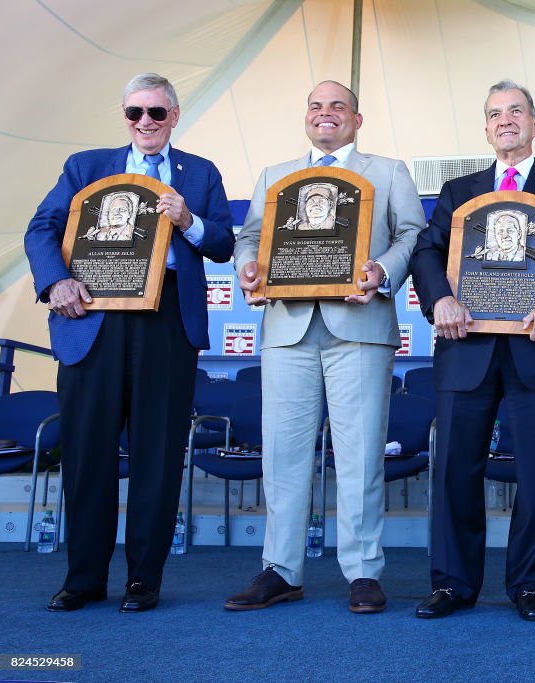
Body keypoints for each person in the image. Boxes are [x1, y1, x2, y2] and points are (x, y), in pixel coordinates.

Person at [23, 72, 234, 613]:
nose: (145, 123)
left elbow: (223, 244)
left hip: (165, 321)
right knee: (87, 452)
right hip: (92, 319)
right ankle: (84, 577)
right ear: (124, 116)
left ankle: (144, 578)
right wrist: (55, 281)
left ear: (174, 117)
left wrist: (188, 220)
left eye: (156, 114)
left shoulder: (200, 173)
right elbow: (40, 228)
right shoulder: (85, 167)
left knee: (158, 457)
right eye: (135, 113)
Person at [225, 80, 424, 613]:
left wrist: (383, 270)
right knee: (282, 456)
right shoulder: (275, 176)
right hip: (287, 329)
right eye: (315, 105)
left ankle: (363, 572)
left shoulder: (388, 171)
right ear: (305, 117)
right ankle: (281, 569)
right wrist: (247, 264)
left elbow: (413, 233)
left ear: (357, 119)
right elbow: (248, 236)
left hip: (360, 326)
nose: (325, 113)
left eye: (338, 105)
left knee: (360, 457)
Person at [410, 79, 535, 621]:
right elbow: (428, 251)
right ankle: (451, 584)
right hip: (465, 346)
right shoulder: (457, 190)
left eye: (516, 111)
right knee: (453, 471)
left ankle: (533, 585)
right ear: (486, 128)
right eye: (495, 114)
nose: (506, 121)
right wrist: (440, 298)